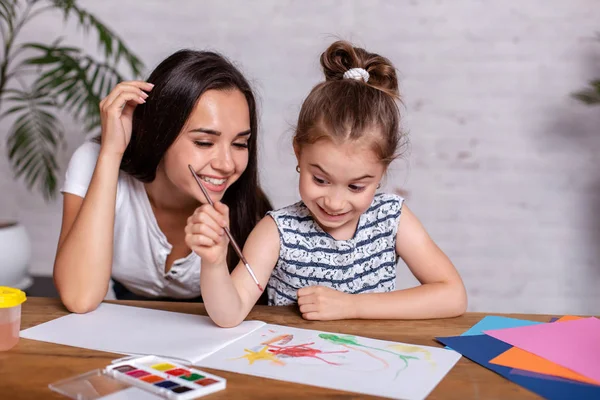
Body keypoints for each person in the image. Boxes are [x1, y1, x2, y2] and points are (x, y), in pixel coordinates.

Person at [188, 41, 467, 327]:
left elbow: (452, 295)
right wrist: (214, 262)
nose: (334, 202)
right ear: (298, 152)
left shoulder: (392, 219)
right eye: (320, 180)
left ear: (383, 170)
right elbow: (228, 314)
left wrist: (352, 305)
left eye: (356, 187)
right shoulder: (276, 232)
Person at [53, 49, 272, 313]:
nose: (226, 164)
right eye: (204, 142)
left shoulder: (253, 210)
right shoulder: (93, 161)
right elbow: (80, 298)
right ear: (159, 132)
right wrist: (111, 153)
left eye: (239, 143)